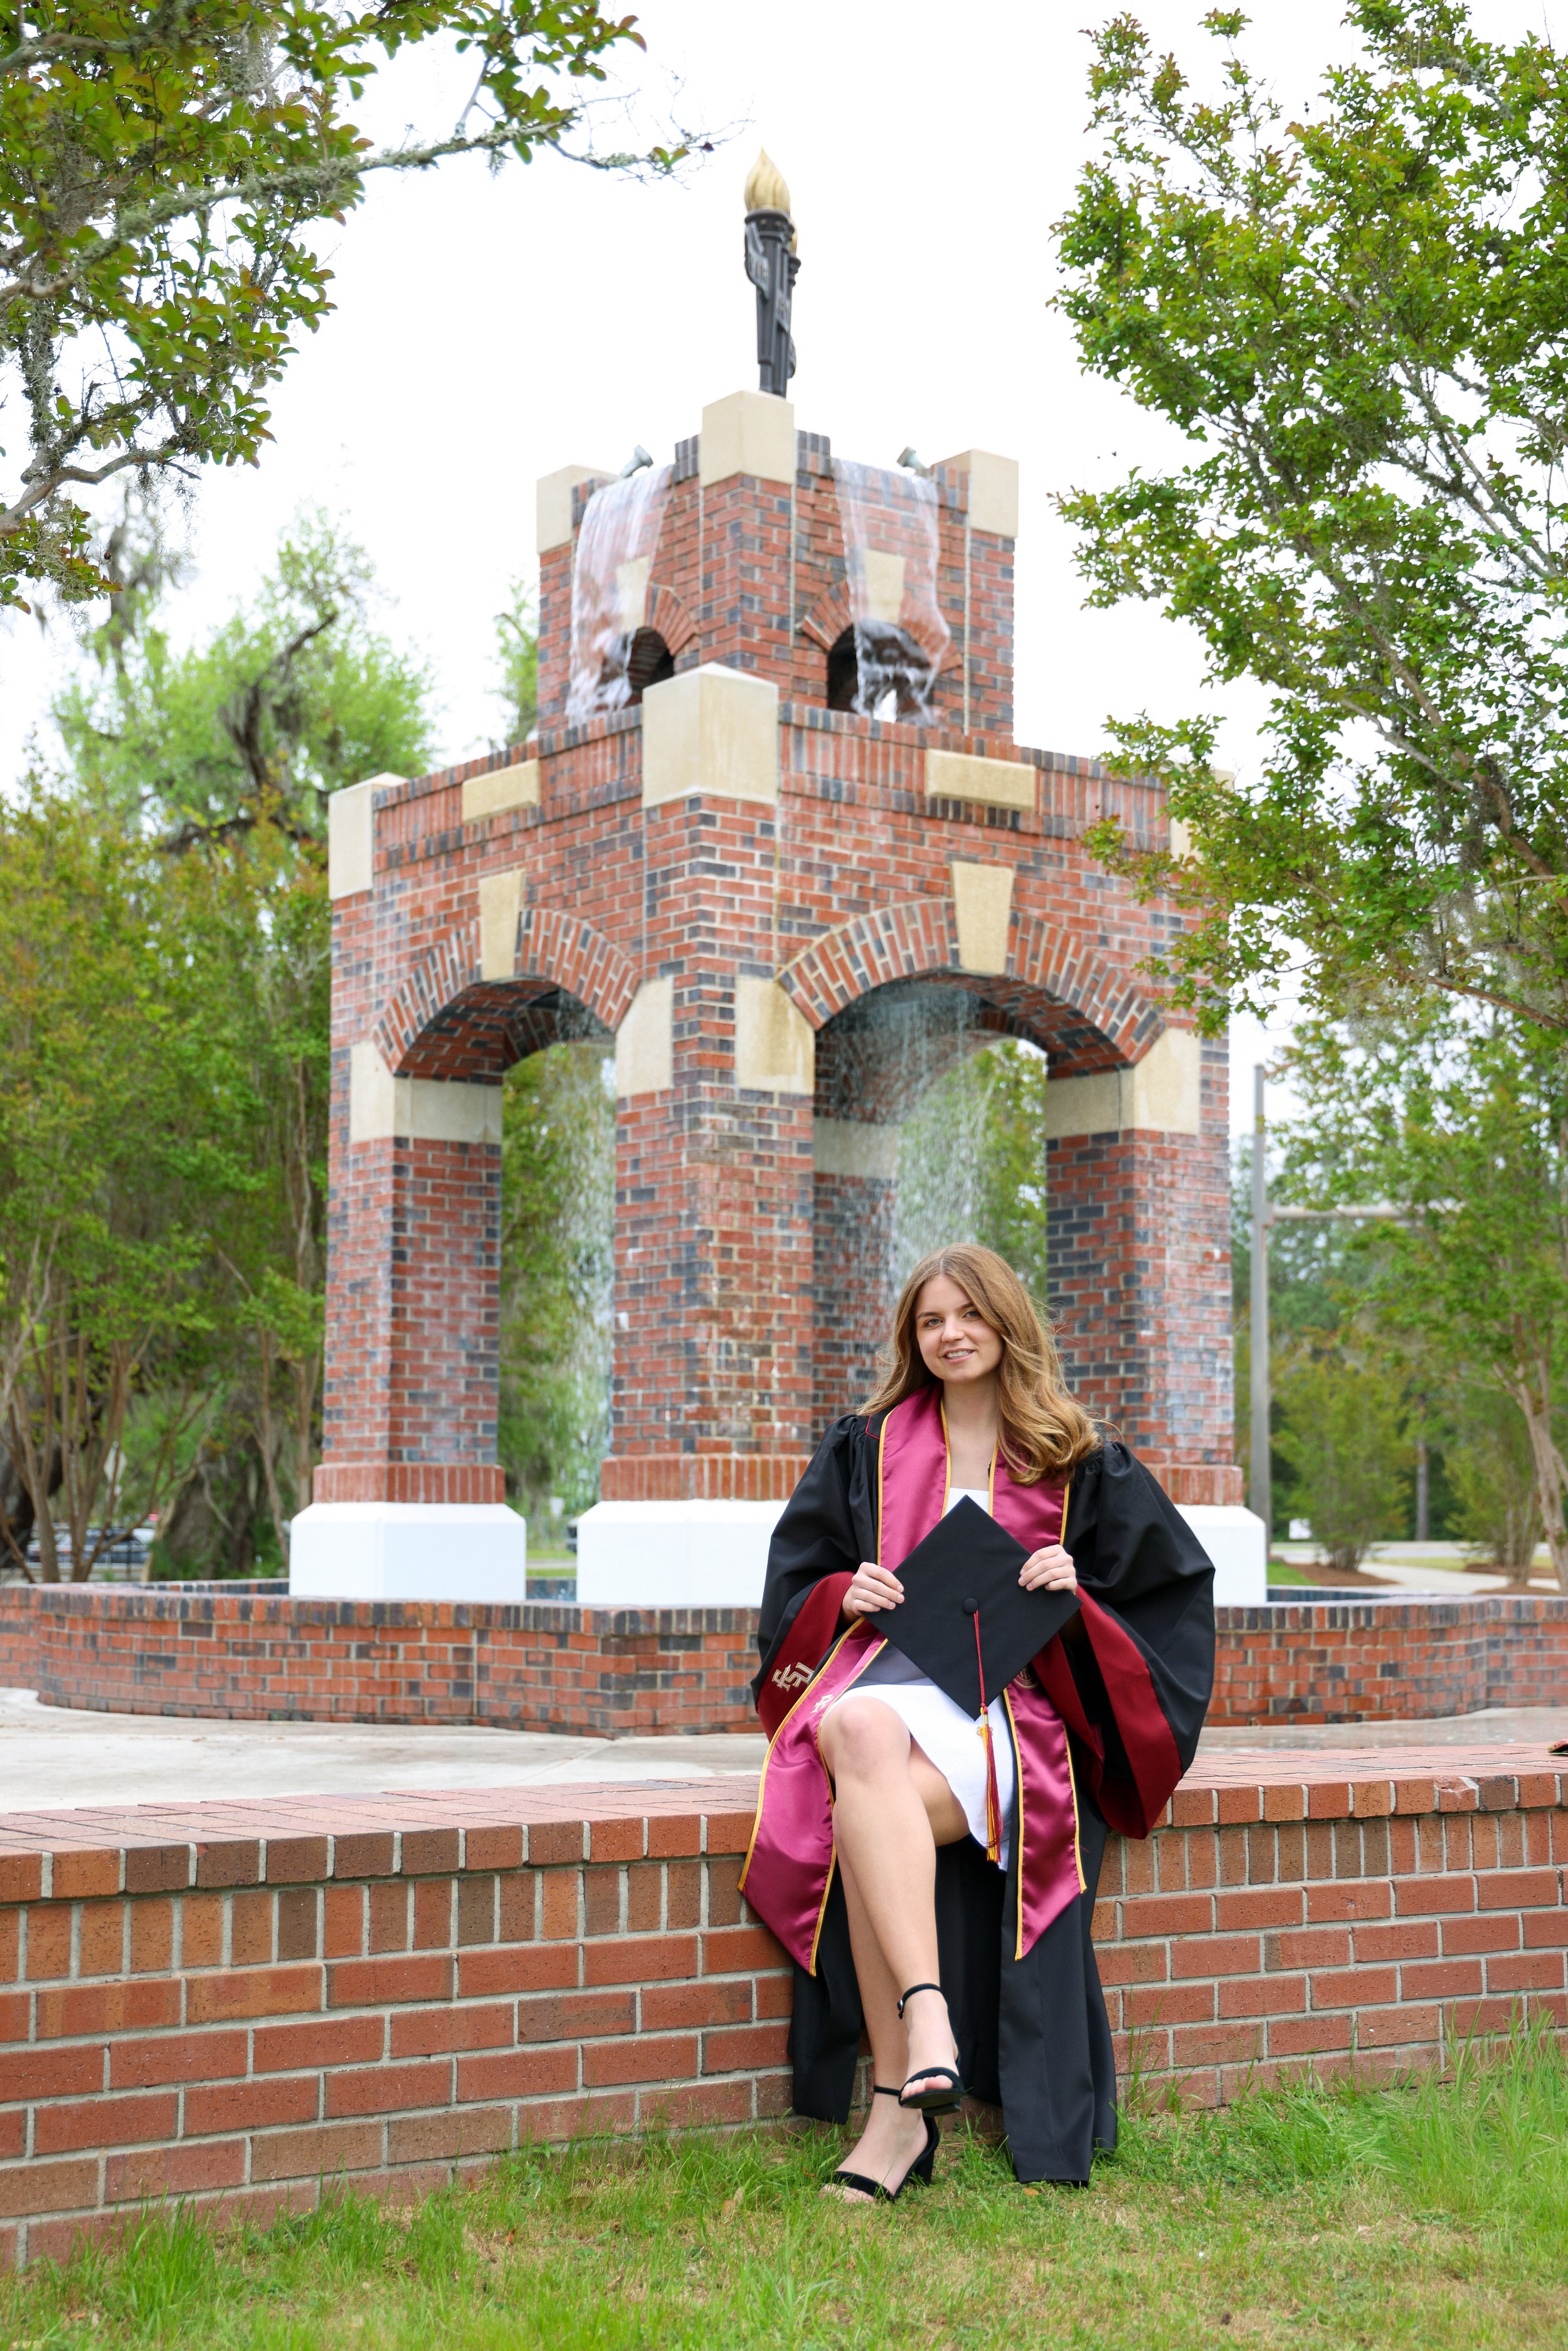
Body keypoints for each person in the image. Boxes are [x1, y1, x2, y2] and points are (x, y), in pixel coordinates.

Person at [738, 1244, 1216, 2199]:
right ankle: (929, 2022)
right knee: (855, 1727)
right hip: (887, 1685)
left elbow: (1169, 1608)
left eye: (969, 1315)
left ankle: (895, 2112)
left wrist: (1077, 1599)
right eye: (931, 1321)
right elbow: (797, 1583)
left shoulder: (1080, 1460)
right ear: (912, 1338)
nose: (950, 1335)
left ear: (1006, 1323)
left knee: (859, 1798)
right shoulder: (866, 1445)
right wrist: (842, 1595)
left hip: (1014, 1707)